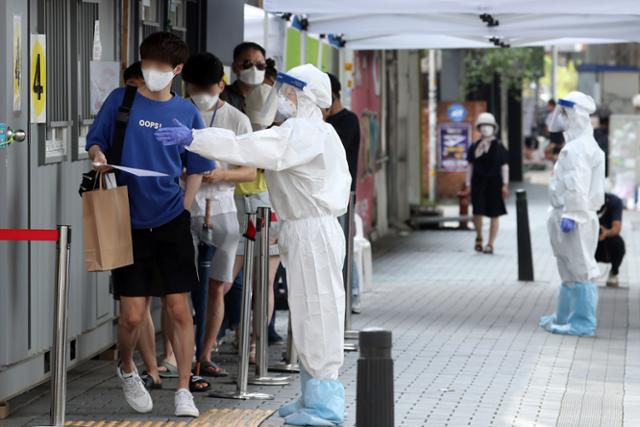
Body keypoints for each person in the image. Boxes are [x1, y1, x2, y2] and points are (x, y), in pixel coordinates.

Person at [155, 64, 351, 426]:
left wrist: (194, 139)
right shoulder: (312, 131)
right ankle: (313, 393)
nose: (282, 97)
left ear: (302, 95)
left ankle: (325, 403)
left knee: (319, 312)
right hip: (306, 228)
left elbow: (251, 147)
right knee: (309, 312)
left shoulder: (304, 132)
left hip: (312, 231)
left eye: (288, 91)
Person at [86, 32, 214, 417]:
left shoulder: (187, 112)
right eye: (147, 64)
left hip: (171, 219)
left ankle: (183, 389)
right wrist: (98, 156)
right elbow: (95, 143)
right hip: (126, 218)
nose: (151, 72)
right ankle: (126, 366)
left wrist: (186, 208)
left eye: (160, 67)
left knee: (179, 310)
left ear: (176, 71)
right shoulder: (120, 101)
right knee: (133, 315)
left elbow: (198, 166)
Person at [181, 52, 257, 375]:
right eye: (193, 87)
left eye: (206, 88)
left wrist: (221, 175)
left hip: (223, 207)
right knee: (181, 286)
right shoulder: (179, 112)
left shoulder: (238, 120)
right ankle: (177, 353)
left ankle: (206, 353)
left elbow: (250, 172)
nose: (199, 94)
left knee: (216, 286)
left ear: (221, 86)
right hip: (185, 204)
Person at [539, 91, 605, 337]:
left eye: (566, 114)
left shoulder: (579, 148)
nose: (562, 119)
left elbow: (577, 184)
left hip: (575, 216)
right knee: (567, 267)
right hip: (565, 214)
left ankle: (583, 322)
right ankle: (564, 316)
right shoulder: (579, 145)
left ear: (577, 115)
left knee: (580, 268)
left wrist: (573, 214)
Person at [325, 72, 362, 313]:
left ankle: (353, 292)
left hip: (342, 194)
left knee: (342, 244)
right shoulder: (325, 123)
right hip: (326, 194)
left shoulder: (348, 121)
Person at [466, 112, 509, 254]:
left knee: (494, 213)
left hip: (494, 184)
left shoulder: (499, 146)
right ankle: (479, 237)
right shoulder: (474, 147)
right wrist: (467, 184)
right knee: (477, 211)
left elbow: (504, 166)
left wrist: (505, 184)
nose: (485, 128)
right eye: (483, 125)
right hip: (478, 183)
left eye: (488, 125)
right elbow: (470, 166)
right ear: (479, 128)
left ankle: (490, 243)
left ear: (493, 127)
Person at [596, 193, 625, 287]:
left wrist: (606, 233)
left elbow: (617, 228)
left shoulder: (614, 201)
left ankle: (614, 271)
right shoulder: (583, 200)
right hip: (587, 240)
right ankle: (585, 273)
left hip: (606, 242)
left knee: (617, 242)